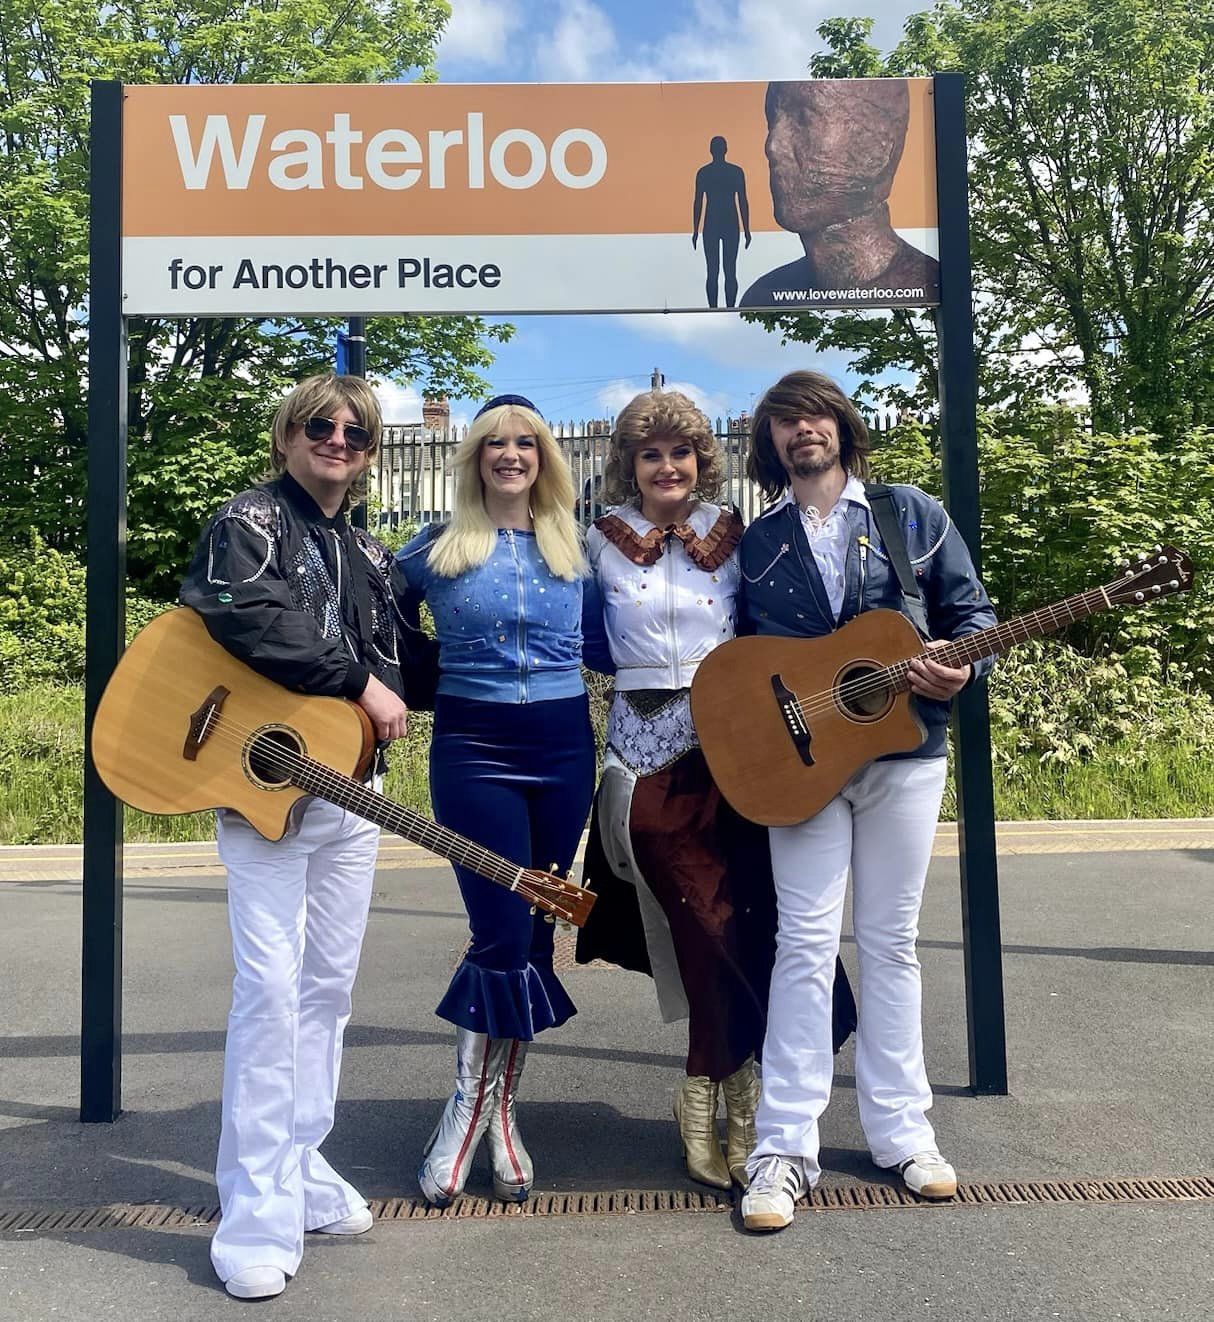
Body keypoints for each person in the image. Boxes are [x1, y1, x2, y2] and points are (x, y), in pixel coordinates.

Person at [180, 373, 431, 1300]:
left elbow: (413, 668)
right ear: (287, 437)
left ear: (370, 453)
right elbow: (246, 613)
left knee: (327, 988)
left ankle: (299, 1162)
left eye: (356, 431)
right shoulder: (247, 521)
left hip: (348, 794)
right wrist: (356, 682)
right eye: (320, 426)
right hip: (261, 789)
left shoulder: (370, 551)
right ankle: (252, 1211)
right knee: (271, 989)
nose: (338, 438)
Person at [576, 389, 856, 1191]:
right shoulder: (596, 541)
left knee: (743, 916)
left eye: (681, 454)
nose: (668, 468)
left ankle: (721, 1088)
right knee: (695, 915)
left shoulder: (741, 537)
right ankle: (721, 1078)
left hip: (734, 746)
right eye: (651, 455)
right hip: (638, 746)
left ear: (704, 461)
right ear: (630, 465)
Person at [736, 370, 996, 1231]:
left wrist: (961, 667)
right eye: (783, 422)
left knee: (891, 942)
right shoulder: (759, 540)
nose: (801, 430)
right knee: (803, 944)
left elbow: (971, 613)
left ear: (842, 426)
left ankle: (903, 1133)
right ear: (770, 444)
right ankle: (783, 1147)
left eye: (814, 414)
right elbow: (743, 660)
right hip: (803, 768)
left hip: (903, 756)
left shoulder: (909, 513)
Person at [394, 393, 596, 1207]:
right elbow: (374, 619)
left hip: (561, 746)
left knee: (539, 928)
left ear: (545, 457)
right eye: (493, 444)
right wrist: (396, 692)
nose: (510, 455)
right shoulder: (435, 547)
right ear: (473, 457)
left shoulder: (578, 546)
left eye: (526, 443)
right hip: (472, 747)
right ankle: (465, 1108)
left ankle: (502, 1111)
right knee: (501, 926)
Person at [740, 79, 940, 308]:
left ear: (878, 149)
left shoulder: (928, 289)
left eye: (803, 119)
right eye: (772, 120)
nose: (772, 146)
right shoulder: (766, 296)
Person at [692, 136, 752, 308]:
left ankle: (725, 308)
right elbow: (698, 202)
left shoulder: (706, 172)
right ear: (725, 149)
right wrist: (695, 230)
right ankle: (720, 308)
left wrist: (696, 230)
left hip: (718, 224)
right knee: (724, 270)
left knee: (719, 270)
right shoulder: (733, 172)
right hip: (724, 223)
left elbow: (742, 200)